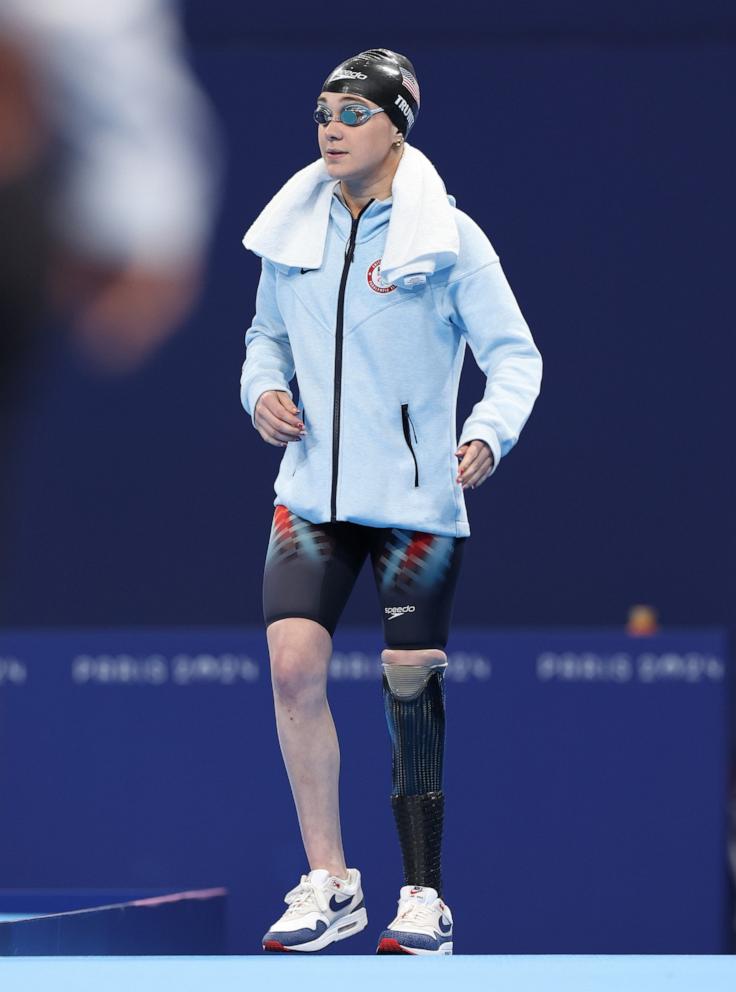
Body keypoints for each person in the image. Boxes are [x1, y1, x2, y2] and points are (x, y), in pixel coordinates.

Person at [240, 48, 542, 955]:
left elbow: (516, 357)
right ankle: (330, 882)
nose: (329, 127)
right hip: (310, 497)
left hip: (415, 502)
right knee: (293, 666)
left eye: (351, 113)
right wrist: (260, 392)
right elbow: (262, 336)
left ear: (396, 125)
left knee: (410, 687)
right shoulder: (293, 227)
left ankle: (425, 897)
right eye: (323, 112)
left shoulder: (451, 237)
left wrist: (487, 434)